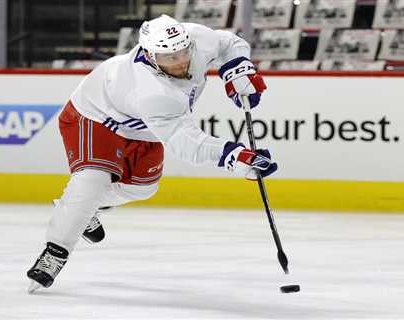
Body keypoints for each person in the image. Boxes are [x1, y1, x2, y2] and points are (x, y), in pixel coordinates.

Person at [26, 14, 277, 293]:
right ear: (150, 56)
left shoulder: (197, 38)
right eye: (170, 58)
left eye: (183, 52)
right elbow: (187, 143)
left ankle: (79, 208)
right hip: (94, 116)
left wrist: (238, 68)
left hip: (142, 126)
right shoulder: (150, 91)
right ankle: (55, 252)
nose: (181, 61)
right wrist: (233, 156)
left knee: (142, 189)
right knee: (93, 180)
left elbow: (229, 42)